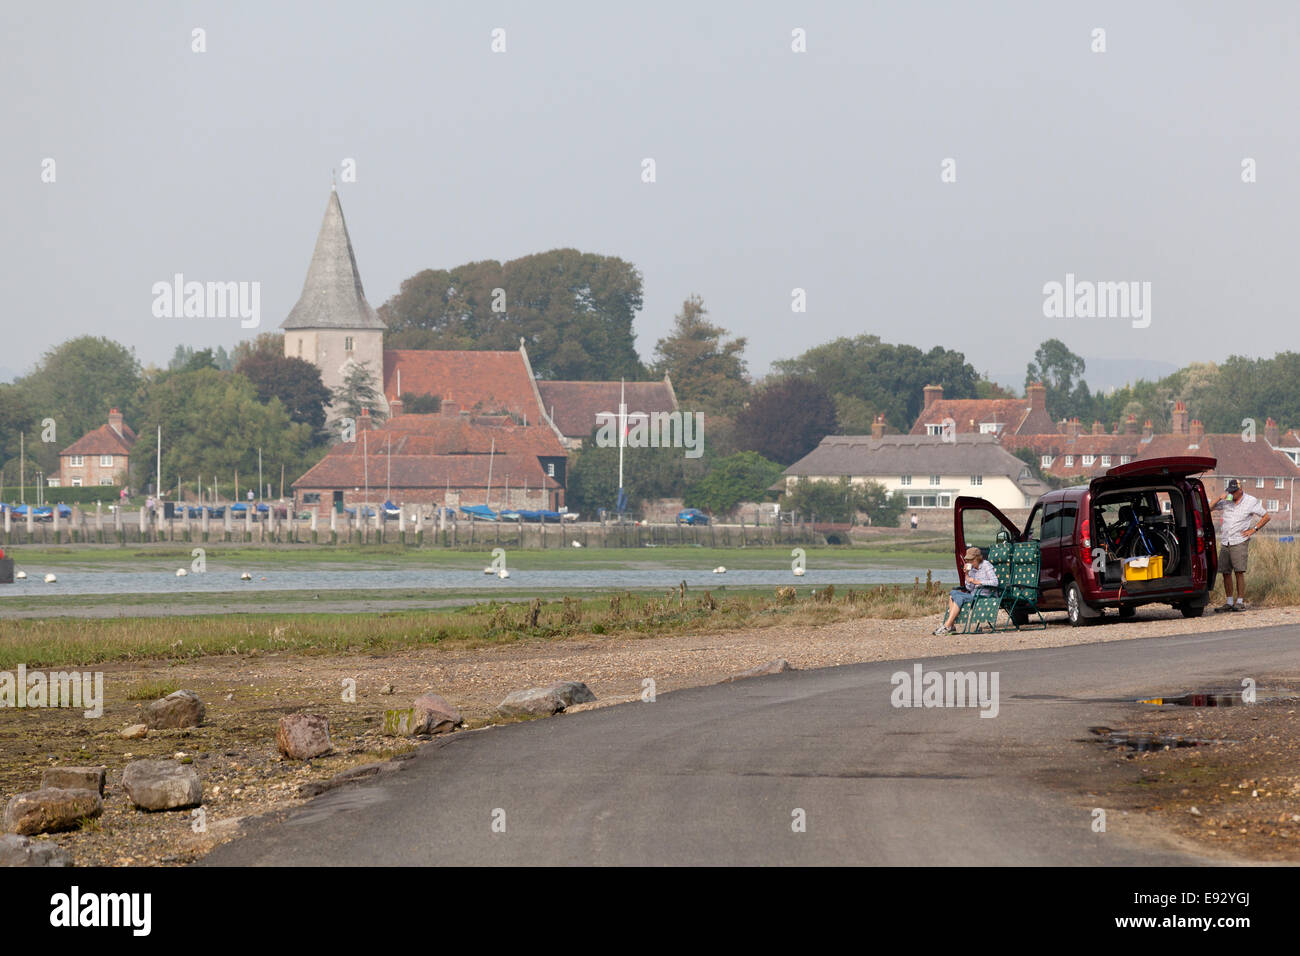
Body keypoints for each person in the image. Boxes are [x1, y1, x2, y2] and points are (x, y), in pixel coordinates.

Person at [1210, 479, 1269, 612]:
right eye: (1229, 491)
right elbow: (1209, 508)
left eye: (1233, 492)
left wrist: (1253, 530)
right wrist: (1220, 497)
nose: (1231, 494)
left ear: (1240, 490)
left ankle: (1240, 601)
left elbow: (1266, 516)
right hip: (1226, 540)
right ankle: (1229, 602)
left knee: (1239, 571)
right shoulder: (1226, 500)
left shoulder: (1250, 501)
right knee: (1225, 572)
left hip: (1240, 540)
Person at [933, 546, 999, 635]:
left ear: (978, 558)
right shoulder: (971, 568)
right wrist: (967, 575)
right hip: (973, 595)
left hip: (984, 595)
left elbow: (995, 582)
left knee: (959, 598)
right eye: (968, 560)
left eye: (972, 560)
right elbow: (969, 588)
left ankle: (947, 625)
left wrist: (977, 582)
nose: (969, 562)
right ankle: (950, 626)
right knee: (953, 593)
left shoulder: (986, 565)